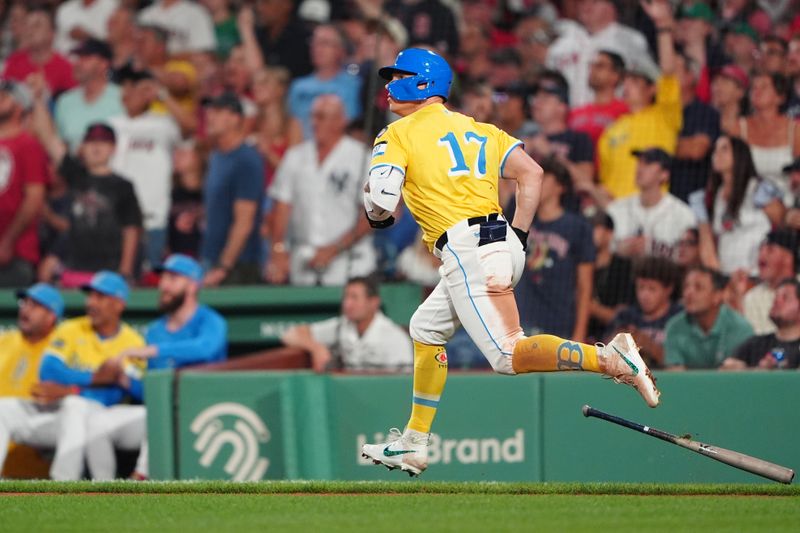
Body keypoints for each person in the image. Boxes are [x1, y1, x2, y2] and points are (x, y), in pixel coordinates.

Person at [360, 48, 659, 478]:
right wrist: (517, 236)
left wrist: (372, 204)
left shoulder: (398, 133)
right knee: (426, 328)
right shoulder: (480, 129)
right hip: (499, 240)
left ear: (422, 82)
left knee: (506, 354)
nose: (389, 84)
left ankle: (611, 359)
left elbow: (383, 207)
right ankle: (414, 442)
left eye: (398, 75)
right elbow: (532, 173)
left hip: (465, 248)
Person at [86, 254, 227, 480]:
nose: (163, 285)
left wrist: (153, 350)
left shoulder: (211, 321)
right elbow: (152, 392)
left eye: (172, 278)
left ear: (192, 285)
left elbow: (205, 348)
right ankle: (104, 490)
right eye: (162, 279)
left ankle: (142, 477)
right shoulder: (155, 330)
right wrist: (125, 381)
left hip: (204, 414)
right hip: (158, 413)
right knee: (97, 422)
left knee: (163, 414)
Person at [0, 271, 144, 480]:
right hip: (56, 415)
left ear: (119, 304)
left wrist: (71, 390)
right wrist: (96, 379)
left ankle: (63, 484)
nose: (91, 303)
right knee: (3, 408)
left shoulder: (133, 342)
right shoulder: (72, 328)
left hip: (95, 417)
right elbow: (49, 370)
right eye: (90, 296)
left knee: (76, 405)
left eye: (100, 297)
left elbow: (114, 394)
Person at [266, 94, 375, 286]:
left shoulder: (361, 157)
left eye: (322, 117)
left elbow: (373, 214)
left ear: (341, 121)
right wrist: (278, 250)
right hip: (304, 261)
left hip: (350, 262)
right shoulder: (295, 156)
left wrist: (334, 249)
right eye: (313, 116)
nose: (314, 123)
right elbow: (281, 207)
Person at [34, 122, 142, 286]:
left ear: (113, 148)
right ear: (82, 147)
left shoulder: (123, 186)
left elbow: (131, 228)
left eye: (103, 142)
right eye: (91, 142)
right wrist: (37, 99)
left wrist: (125, 270)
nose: (97, 147)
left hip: (109, 269)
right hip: (74, 267)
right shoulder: (76, 175)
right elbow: (49, 140)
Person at [597, 0, 682, 199]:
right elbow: (605, 183)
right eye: (625, 81)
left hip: (651, 211)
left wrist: (663, 27)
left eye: (634, 81)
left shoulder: (663, 117)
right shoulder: (611, 130)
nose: (626, 85)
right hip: (617, 217)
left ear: (652, 88)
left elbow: (668, 72)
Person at [513, 158, 596, 341]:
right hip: (520, 324)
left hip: (559, 325)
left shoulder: (578, 227)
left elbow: (585, 286)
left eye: (543, 179)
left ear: (560, 187)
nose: (536, 184)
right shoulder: (519, 219)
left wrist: (579, 334)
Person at [109, 65, 181, 270]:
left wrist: (163, 95)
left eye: (137, 88)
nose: (130, 93)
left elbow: (190, 128)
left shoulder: (163, 124)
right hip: (116, 219)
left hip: (152, 216)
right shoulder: (110, 125)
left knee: (150, 277)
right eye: (126, 88)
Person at [692, 135, 784, 275]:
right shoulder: (714, 196)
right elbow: (709, 242)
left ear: (739, 154)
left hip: (756, 274)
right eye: (715, 150)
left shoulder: (758, 189)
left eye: (724, 149)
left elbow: (781, 224)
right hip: (727, 274)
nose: (717, 154)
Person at [281, 276, 412, 372]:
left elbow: (405, 382)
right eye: (346, 297)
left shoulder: (394, 337)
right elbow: (290, 334)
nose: (347, 304)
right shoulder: (341, 326)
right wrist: (316, 348)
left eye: (354, 298)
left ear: (374, 302)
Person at [200, 92, 264, 286]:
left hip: (238, 264)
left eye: (218, 111)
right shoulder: (216, 156)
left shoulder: (247, 160)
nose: (210, 116)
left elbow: (244, 221)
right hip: (212, 257)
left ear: (236, 119)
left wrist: (224, 267)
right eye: (210, 111)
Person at [546, 0, 657, 107]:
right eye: (582, 2)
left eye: (594, 2)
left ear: (612, 6)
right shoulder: (562, 44)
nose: (586, 7)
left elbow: (653, 78)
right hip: (573, 119)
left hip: (616, 118)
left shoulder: (629, 39)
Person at [606, 148, 697, 260]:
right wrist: (618, 249)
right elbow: (600, 247)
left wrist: (653, 247)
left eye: (648, 164)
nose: (640, 168)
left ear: (664, 174)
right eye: (639, 163)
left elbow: (690, 256)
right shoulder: (617, 208)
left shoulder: (683, 214)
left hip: (665, 275)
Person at [0, 80, 49, 288]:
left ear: (20, 107)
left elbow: (34, 198)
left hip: (15, 252)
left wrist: (8, 241)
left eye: (4, 97)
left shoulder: (28, 145)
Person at [664, 265, 753, 369]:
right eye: (686, 287)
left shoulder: (740, 328)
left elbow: (742, 376)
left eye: (698, 288)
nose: (689, 293)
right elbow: (675, 374)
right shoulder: (675, 327)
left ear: (717, 296)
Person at [731, 73, 800, 205]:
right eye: (754, 88)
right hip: (746, 201)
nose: (757, 91)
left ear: (780, 97)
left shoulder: (795, 130)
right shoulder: (739, 128)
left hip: (786, 201)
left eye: (764, 87)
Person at [287, 24, 362, 139]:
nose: (317, 48)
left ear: (341, 50)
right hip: (302, 151)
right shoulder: (298, 86)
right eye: (314, 42)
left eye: (325, 43)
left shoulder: (353, 85)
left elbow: (351, 127)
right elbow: (293, 126)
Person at [607, 256, 682, 367]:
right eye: (641, 287)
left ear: (668, 289)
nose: (644, 295)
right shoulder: (625, 317)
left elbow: (683, 361)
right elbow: (604, 355)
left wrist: (647, 344)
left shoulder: (679, 318)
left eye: (652, 289)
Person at [53, 38, 123, 153]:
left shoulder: (123, 97)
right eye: (78, 58)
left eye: (85, 58)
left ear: (103, 64)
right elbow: (60, 146)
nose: (78, 63)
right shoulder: (65, 101)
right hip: (73, 168)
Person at [669, 52, 720, 203]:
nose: (665, 75)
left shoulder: (705, 112)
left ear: (690, 76)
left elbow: (696, 150)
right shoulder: (656, 110)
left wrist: (657, 143)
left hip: (689, 198)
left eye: (673, 70)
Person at [721, 278, 800, 370]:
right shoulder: (755, 344)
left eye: (785, 298)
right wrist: (754, 370)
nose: (776, 301)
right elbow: (726, 368)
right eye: (776, 297)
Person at [0, 283, 63, 398]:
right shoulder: (4, 339)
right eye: (24, 303)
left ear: (51, 316)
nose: (25, 310)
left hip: (37, 412)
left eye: (34, 305)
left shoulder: (61, 348)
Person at [2, 6, 76, 98]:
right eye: (27, 26)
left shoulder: (66, 68)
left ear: (52, 34)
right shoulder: (14, 61)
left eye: (37, 25)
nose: (30, 31)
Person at [739, 229, 799, 335]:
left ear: (788, 258)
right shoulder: (752, 297)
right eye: (760, 250)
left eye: (770, 250)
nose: (761, 256)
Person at [568, 49, 628, 147]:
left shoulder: (625, 112)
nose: (593, 70)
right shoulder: (575, 113)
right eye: (592, 66)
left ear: (615, 75)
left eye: (600, 66)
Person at [138, 0, 216, 56]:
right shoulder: (145, 14)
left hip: (182, 67)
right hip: (148, 67)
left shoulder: (197, 13)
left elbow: (204, 53)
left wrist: (167, 57)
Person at [53, 0, 118, 56]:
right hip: (66, 60)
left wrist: (88, 36)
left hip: (98, 60)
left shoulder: (112, 6)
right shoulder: (65, 9)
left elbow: (116, 40)